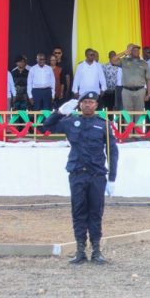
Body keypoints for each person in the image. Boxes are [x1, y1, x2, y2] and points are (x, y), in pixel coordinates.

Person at [42, 92, 118, 265]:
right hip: (77, 174)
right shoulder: (69, 122)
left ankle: (97, 251)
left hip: (97, 176)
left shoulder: (104, 125)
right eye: (84, 102)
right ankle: (80, 251)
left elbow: (112, 153)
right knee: (78, 212)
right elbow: (44, 127)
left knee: (95, 213)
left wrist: (112, 178)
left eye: (91, 102)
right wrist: (59, 112)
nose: (87, 105)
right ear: (80, 105)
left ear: (96, 105)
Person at [114, 44, 150, 114]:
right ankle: (129, 125)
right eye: (134, 50)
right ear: (130, 52)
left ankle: (138, 126)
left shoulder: (144, 63)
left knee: (139, 113)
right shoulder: (124, 61)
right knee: (127, 114)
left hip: (140, 91)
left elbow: (148, 79)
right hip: (126, 91)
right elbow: (113, 61)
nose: (137, 52)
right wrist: (125, 52)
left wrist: (149, 94)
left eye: (138, 50)